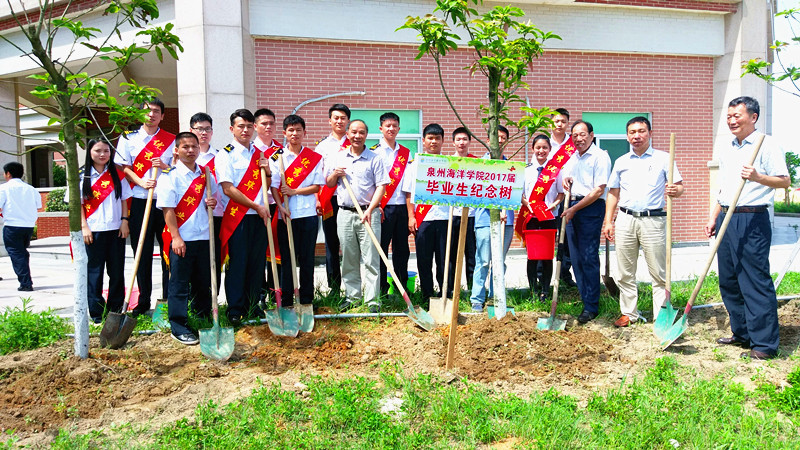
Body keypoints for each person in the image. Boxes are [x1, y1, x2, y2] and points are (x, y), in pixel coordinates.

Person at [706, 96, 789, 360]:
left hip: (752, 218)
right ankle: (742, 333)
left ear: (753, 117)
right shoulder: (728, 147)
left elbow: (784, 181)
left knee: (754, 280)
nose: (731, 121)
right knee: (729, 280)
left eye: (737, 116)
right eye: (729, 116)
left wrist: (758, 177)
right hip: (726, 217)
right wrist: (714, 216)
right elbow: (724, 189)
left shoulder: (767, 144)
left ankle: (764, 344)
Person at [603, 117, 684, 327]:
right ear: (627, 136)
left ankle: (661, 316)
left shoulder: (664, 158)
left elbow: (679, 187)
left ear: (650, 133)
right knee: (625, 271)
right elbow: (613, 193)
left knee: (659, 272)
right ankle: (629, 313)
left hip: (653, 220)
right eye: (632, 132)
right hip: (625, 219)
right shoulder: (621, 161)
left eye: (641, 131)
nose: (636, 136)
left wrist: (675, 190)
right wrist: (608, 221)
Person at [114, 97, 174, 317]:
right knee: (142, 251)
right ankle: (143, 300)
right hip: (140, 200)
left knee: (168, 251)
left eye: (156, 111)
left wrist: (165, 166)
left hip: (165, 202)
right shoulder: (128, 138)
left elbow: (177, 169)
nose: (151, 115)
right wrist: (140, 182)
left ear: (162, 115)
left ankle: (167, 299)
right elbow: (123, 166)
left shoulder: (171, 140)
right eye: (147, 111)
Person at [156, 132, 217, 345]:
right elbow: (168, 209)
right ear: (176, 150)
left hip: (204, 236)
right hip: (182, 238)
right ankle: (178, 325)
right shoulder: (169, 176)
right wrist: (176, 237)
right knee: (179, 284)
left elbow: (212, 199)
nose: (190, 150)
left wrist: (211, 203)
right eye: (185, 147)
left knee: (203, 281)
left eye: (194, 146)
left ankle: (202, 317)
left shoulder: (206, 174)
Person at [326, 119, 388, 312]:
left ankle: (372, 301)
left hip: (369, 213)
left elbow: (381, 186)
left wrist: (370, 209)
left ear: (366, 135)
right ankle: (352, 297)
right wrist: (335, 174)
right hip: (345, 213)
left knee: (371, 258)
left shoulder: (375, 158)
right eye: (353, 132)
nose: (357, 136)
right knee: (349, 257)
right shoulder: (339, 157)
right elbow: (329, 183)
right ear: (347, 134)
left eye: (361, 132)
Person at [216, 109, 270, 323]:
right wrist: (256, 206)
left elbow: (267, 183)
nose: (245, 130)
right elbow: (228, 188)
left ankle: (252, 305)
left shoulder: (259, 153)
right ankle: (235, 309)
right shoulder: (225, 154)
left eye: (249, 126)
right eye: (241, 126)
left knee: (256, 263)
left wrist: (268, 171)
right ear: (232, 129)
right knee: (237, 264)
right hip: (238, 217)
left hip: (259, 216)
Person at [74, 139, 132, 323]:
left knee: (116, 271)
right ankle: (97, 312)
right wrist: (84, 227)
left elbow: (124, 199)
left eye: (106, 151)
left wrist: (125, 221)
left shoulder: (117, 174)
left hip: (116, 230)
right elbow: (77, 205)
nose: (102, 154)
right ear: (90, 152)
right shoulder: (81, 176)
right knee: (94, 272)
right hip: (93, 231)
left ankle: (115, 310)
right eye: (98, 150)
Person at [270, 114, 324, 308]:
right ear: (284, 133)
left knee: (307, 258)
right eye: (291, 130)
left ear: (304, 132)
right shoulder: (277, 157)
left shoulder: (314, 158)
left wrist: (294, 191)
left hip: (308, 215)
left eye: (298, 130)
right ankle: (286, 301)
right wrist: (281, 207)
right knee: (287, 260)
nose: (295, 133)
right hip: (286, 216)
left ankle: (307, 298)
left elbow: (316, 186)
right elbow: (274, 187)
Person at [562, 120, 611, 324]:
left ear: (591, 135)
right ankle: (585, 298)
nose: (578, 139)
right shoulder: (572, 157)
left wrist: (575, 209)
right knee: (576, 257)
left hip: (590, 208)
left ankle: (591, 306)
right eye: (574, 135)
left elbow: (599, 190)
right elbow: (566, 178)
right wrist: (566, 180)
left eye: (582, 134)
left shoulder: (600, 156)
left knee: (588, 256)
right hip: (572, 206)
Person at [470, 125, 515, 310]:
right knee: (483, 261)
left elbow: (514, 193)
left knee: (499, 261)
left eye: (504, 137)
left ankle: (496, 296)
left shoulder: (511, 166)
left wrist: (506, 210)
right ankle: (477, 299)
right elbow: (476, 192)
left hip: (506, 221)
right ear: (488, 141)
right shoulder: (479, 165)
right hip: (484, 220)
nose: (500, 140)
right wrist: (495, 208)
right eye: (497, 137)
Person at [403, 123, 450, 304]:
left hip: (445, 218)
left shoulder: (450, 164)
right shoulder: (414, 165)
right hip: (424, 219)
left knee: (444, 260)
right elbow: (409, 193)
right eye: (430, 138)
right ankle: (427, 295)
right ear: (423, 141)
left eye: (437, 138)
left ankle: (445, 294)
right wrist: (411, 216)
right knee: (424, 259)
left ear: (442, 141)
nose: (433, 141)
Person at [520, 136, 565, 302]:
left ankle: (545, 291)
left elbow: (561, 193)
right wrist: (528, 204)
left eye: (545, 147)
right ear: (533, 149)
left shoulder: (555, 170)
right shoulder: (526, 170)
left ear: (550, 150)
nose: (541, 151)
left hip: (549, 217)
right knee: (532, 256)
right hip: (531, 217)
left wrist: (554, 205)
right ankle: (533, 291)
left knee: (547, 255)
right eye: (538, 147)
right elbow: (521, 194)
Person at [373, 112, 411, 297]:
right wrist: (376, 205)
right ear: (381, 128)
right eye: (387, 126)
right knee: (381, 249)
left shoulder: (406, 153)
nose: (391, 129)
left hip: (402, 206)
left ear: (399, 128)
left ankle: (401, 287)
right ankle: (381, 289)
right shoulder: (373, 151)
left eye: (394, 126)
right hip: (383, 207)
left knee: (402, 249)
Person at [315, 104, 351, 292]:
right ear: (330, 120)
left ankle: (353, 288)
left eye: (343, 118)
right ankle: (334, 288)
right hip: (329, 200)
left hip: (350, 201)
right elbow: (316, 175)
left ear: (348, 121)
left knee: (350, 245)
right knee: (331, 244)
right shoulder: (322, 146)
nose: (339, 121)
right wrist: (317, 199)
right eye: (336, 118)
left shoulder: (355, 142)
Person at [190, 112, 224, 295]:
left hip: (215, 214)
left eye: (207, 129)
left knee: (214, 257)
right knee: (192, 258)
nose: (203, 133)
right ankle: (193, 299)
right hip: (189, 216)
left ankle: (212, 297)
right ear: (191, 130)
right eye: (199, 129)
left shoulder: (220, 156)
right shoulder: (184, 157)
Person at [253, 108, 283, 305]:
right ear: (255, 126)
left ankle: (275, 292)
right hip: (255, 208)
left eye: (271, 123)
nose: (268, 127)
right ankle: (259, 293)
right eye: (264, 123)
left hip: (275, 206)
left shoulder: (281, 150)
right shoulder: (249, 149)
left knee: (275, 251)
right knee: (257, 252)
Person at [0, 162, 41, 292]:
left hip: (12, 226)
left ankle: (26, 283)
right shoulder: (31, 189)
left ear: (8, 173)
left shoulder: (4, 188)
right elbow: (38, 206)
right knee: (22, 253)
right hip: (28, 226)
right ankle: (26, 279)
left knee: (16, 253)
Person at [448, 127, 477, 294]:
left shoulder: (476, 163)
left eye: (465, 139)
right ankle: (452, 290)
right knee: (451, 255)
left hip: (472, 215)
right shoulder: (448, 162)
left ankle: (473, 290)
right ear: (453, 142)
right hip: (452, 215)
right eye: (458, 139)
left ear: (470, 141)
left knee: (471, 255)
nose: (461, 143)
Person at [550, 108, 576, 288]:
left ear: (568, 123)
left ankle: (564, 273)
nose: (559, 124)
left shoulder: (573, 143)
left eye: (563, 121)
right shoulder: (545, 143)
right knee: (548, 235)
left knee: (566, 237)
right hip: (549, 197)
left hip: (569, 197)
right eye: (556, 121)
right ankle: (542, 276)